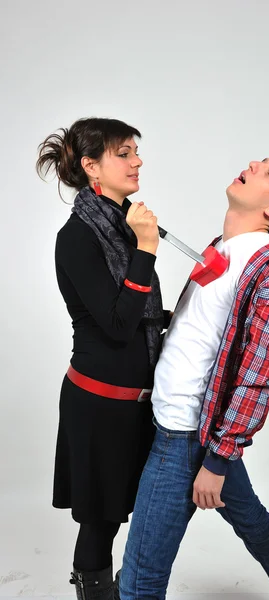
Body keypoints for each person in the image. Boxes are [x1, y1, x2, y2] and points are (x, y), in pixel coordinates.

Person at [119, 151, 269, 600]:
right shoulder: (223, 246)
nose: (253, 166)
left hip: (185, 435)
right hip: (176, 423)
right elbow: (200, 332)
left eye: (268, 173)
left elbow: (258, 374)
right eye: (262, 161)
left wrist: (217, 458)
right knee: (252, 520)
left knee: (139, 580)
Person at [36, 117, 170, 600]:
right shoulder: (77, 236)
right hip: (98, 404)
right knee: (101, 520)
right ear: (91, 166)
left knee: (129, 512)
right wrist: (148, 249)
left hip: (136, 402)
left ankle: (124, 587)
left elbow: (142, 314)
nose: (136, 161)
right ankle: (94, 591)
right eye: (123, 152)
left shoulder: (123, 223)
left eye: (136, 150)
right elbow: (116, 326)